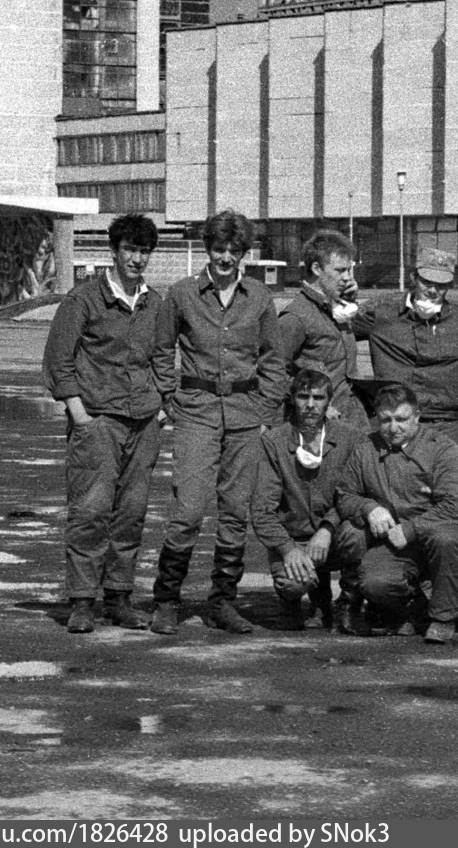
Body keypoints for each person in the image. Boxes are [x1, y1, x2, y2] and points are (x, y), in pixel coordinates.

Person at [150, 209, 286, 635]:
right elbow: (161, 351)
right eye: (219, 248)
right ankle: (167, 600)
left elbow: (273, 361)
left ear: (244, 253)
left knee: (235, 512)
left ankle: (223, 602)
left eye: (234, 250)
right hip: (196, 413)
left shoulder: (260, 298)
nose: (226, 257)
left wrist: (265, 412)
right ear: (207, 249)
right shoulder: (181, 294)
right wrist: (172, 400)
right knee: (188, 508)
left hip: (246, 417)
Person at [42, 212, 174, 633]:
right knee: (90, 512)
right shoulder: (83, 300)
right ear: (113, 252)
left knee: (131, 513)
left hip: (143, 423)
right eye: (131, 250)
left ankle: (118, 597)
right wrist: (79, 414)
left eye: (145, 251)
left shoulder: (156, 303)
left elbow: (162, 356)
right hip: (98, 421)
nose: (138, 259)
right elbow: (58, 360)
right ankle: (82, 601)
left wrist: (163, 403)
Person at [335, 383, 458, 643]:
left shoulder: (441, 448)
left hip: (434, 533)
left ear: (417, 416)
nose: (393, 427)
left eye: (401, 419)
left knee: (448, 539)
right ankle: (413, 606)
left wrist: (411, 529)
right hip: (394, 543)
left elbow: (456, 505)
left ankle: (443, 616)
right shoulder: (366, 450)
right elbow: (345, 495)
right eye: (385, 420)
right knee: (375, 582)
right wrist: (369, 508)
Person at [354, 247, 458, 453]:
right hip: (396, 423)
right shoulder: (381, 314)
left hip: (447, 426)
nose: (433, 290)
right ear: (413, 277)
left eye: (441, 285)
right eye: (426, 282)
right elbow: (334, 328)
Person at [252, 369, 366, 631]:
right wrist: (287, 549)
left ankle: (347, 602)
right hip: (295, 538)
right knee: (293, 585)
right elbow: (261, 510)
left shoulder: (351, 438)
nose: (311, 405)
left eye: (319, 397)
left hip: (335, 535)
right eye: (303, 397)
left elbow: (356, 494)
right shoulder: (274, 442)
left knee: (358, 534)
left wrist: (327, 528)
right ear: (292, 399)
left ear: (329, 401)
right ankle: (291, 602)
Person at [276, 229, 365, 428]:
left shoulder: (338, 308)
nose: (347, 278)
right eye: (340, 270)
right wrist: (314, 405)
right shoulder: (296, 317)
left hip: (351, 418)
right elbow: (274, 372)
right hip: (317, 422)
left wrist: (350, 302)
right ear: (317, 269)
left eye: (349, 270)